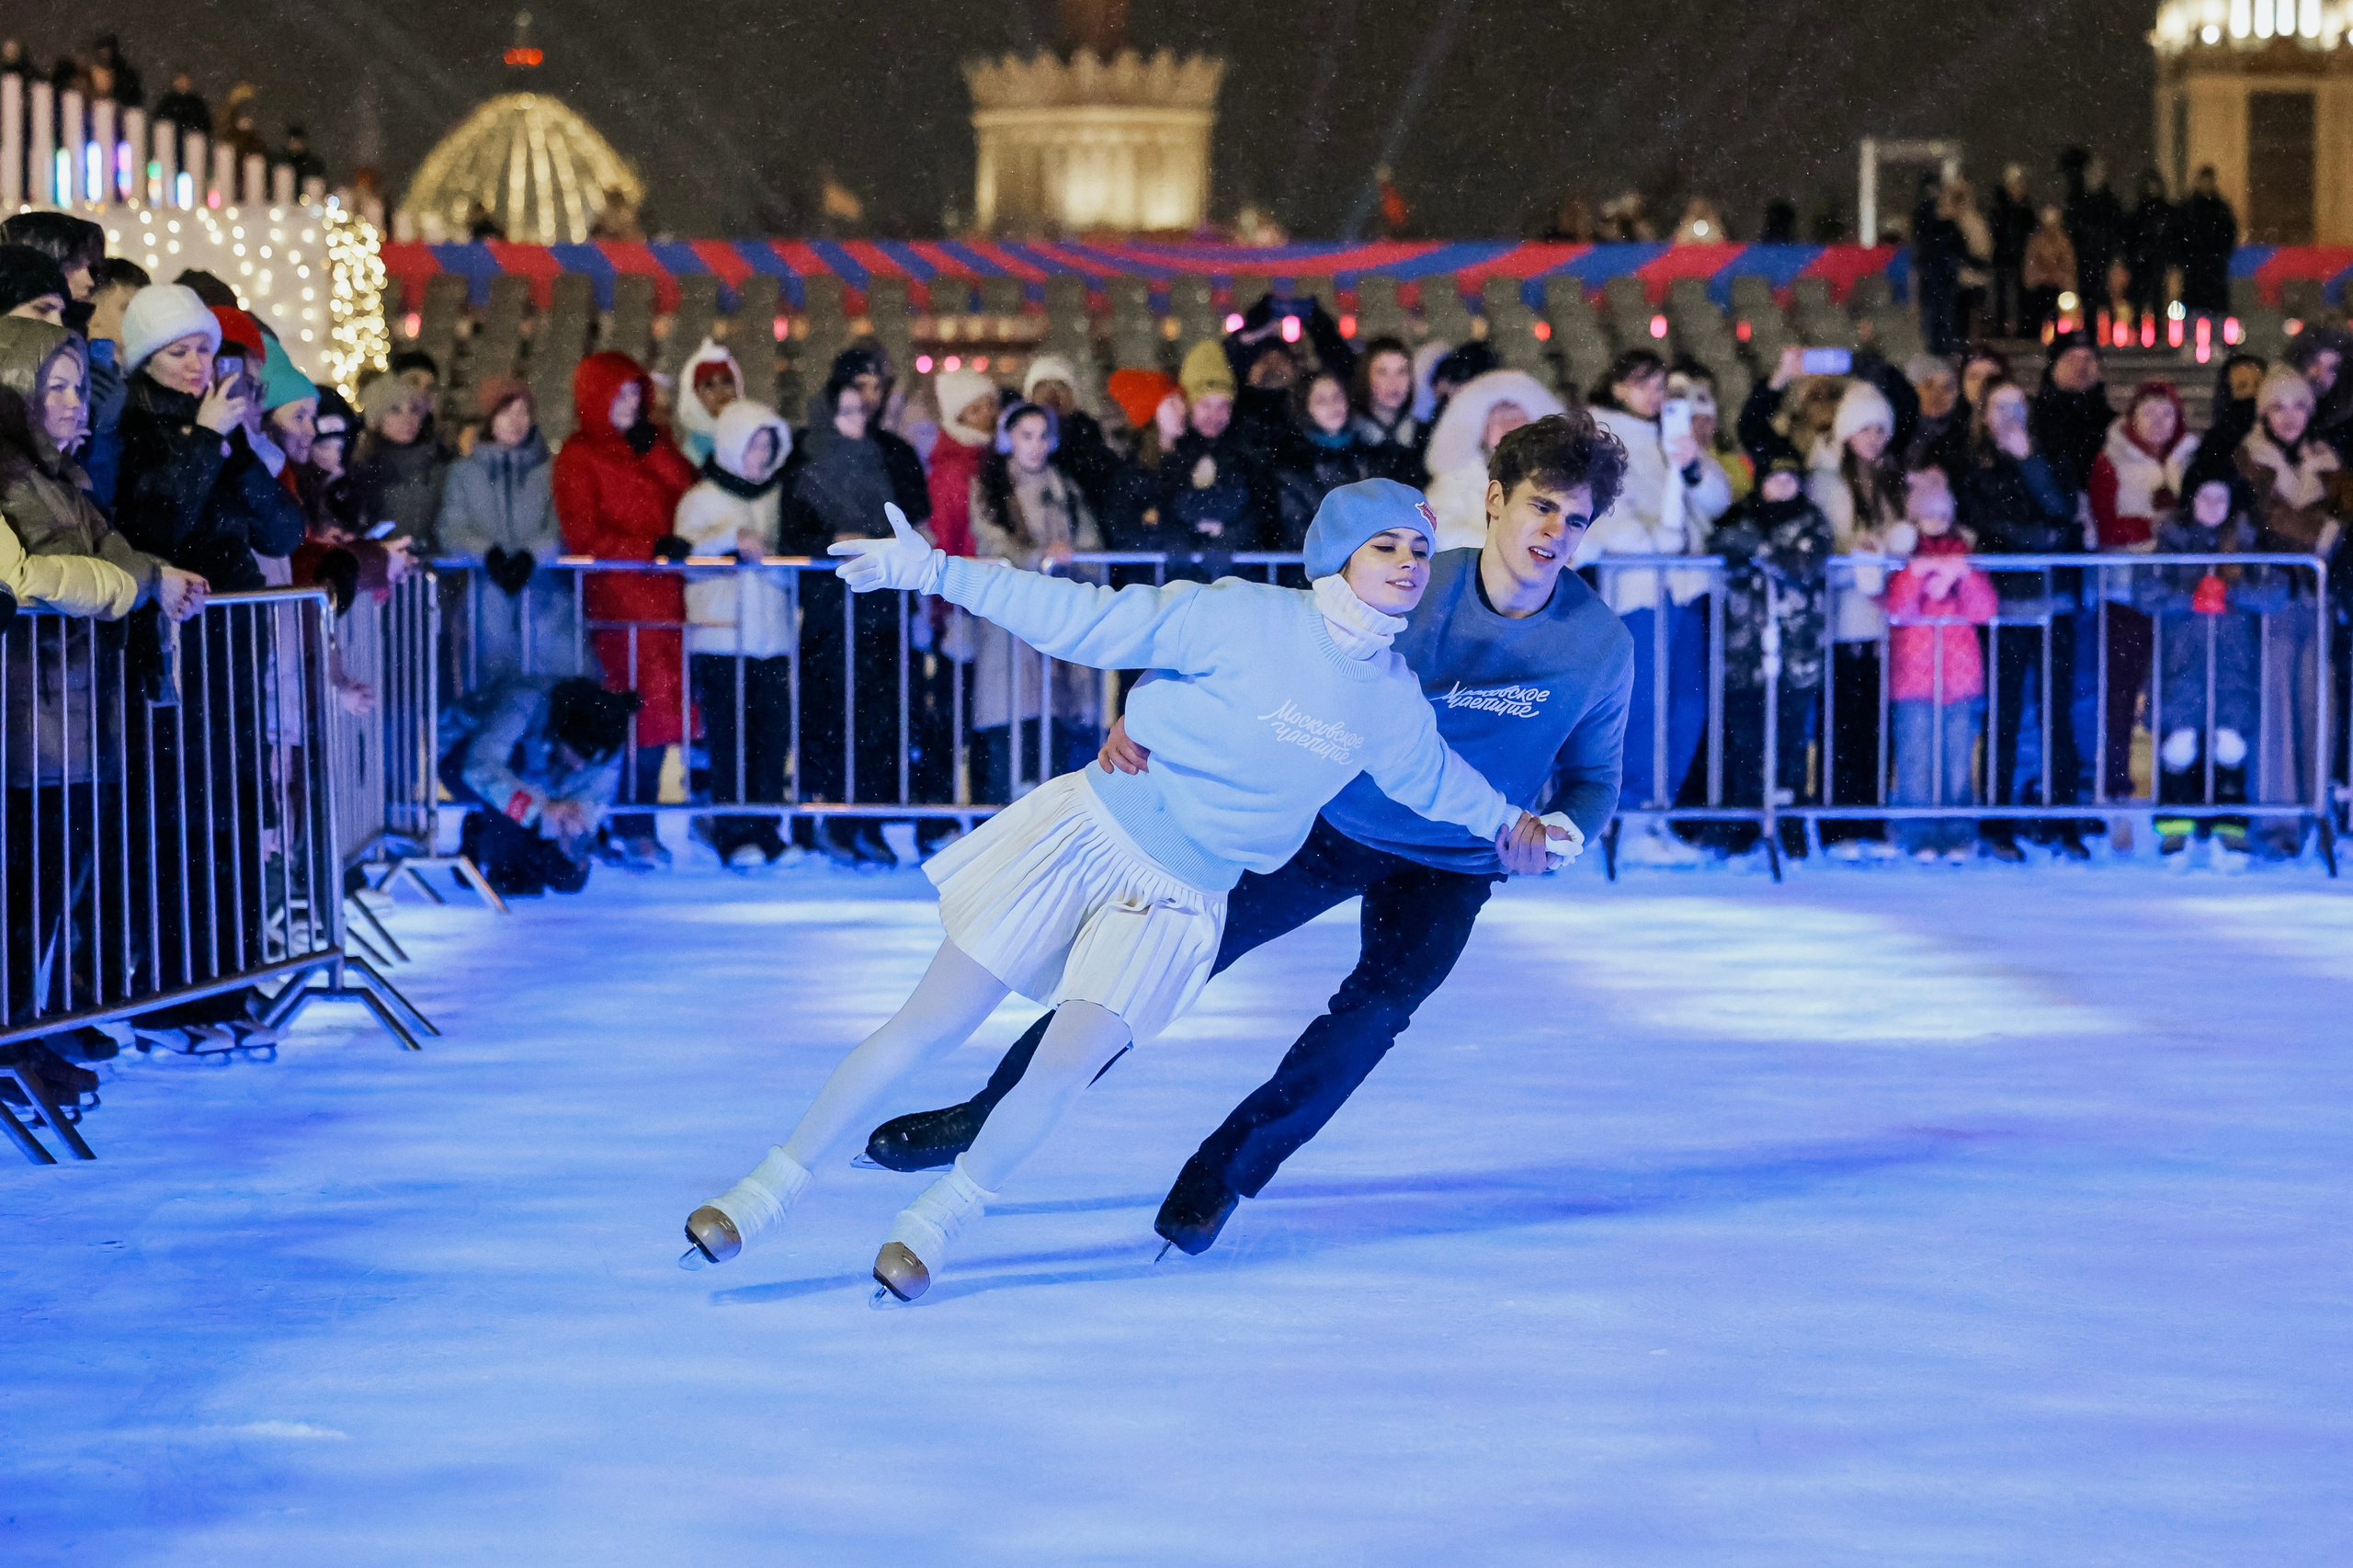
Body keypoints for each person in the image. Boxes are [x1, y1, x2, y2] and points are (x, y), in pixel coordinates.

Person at [681, 483, 1576, 1300]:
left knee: (1064, 1065)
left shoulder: (1388, 698)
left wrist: (1517, 824)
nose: (1410, 565)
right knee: (931, 1020)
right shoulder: (1241, 618)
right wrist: (934, 569)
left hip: (1181, 899)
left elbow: (1436, 780)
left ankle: (937, 1220)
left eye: (1419, 551)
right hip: (1088, 836)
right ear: (1337, 552)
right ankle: (764, 1187)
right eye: (1386, 546)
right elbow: (1080, 617)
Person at [861, 416, 1630, 1257]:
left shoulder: (1600, 647)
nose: (1555, 533)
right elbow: (1262, 643)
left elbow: (1596, 781)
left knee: (1373, 1018)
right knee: (1150, 957)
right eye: (1542, 507)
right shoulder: (1407, 573)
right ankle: (984, 1113)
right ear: (1493, 501)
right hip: (1328, 816)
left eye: (1577, 519)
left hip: (1453, 860)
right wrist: (1152, 707)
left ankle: (1222, 1174)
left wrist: (1559, 831)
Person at [1579, 349, 1728, 864]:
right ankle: (1630, 814)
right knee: (1644, 704)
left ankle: (1657, 813)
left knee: (1686, 702)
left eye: (1660, 382)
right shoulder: (1595, 436)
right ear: (1618, 385)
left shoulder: (1674, 436)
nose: (1654, 392)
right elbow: (1594, 509)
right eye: (1642, 382)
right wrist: (1646, 538)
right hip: (1637, 587)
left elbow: (1716, 500)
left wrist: (1689, 469)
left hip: (1685, 585)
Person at [552, 351, 699, 869]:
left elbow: (689, 489)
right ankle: (625, 823)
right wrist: (651, 549)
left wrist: (655, 451)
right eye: (619, 393)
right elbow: (584, 534)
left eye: (636, 393)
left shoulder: (652, 444)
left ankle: (635, 822)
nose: (629, 403)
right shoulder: (577, 453)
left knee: (656, 716)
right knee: (631, 714)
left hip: (663, 598)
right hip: (619, 599)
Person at [784, 357, 928, 866]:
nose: (860, 407)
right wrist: (832, 540)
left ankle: (866, 819)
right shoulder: (806, 460)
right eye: (849, 399)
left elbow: (915, 520)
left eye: (869, 394)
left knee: (879, 722)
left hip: (882, 612)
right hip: (830, 612)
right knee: (827, 716)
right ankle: (823, 817)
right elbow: (792, 534)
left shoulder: (892, 454)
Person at [1959, 374, 2085, 861]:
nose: (2008, 417)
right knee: (2004, 717)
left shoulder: (2050, 455)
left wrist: (2029, 460)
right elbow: (1990, 522)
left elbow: (2063, 509)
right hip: (2003, 606)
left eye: (2016, 406)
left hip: (2054, 604)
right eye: (1998, 408)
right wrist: (2039, 539)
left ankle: (2062, 819)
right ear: (1984, 416)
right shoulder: (1975, 466)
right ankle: (1997, 822)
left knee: (2058, 715)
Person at [2137, 474, 2284, 869]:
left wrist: (2233, 592)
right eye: (2206, 496)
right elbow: (2144, 591)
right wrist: (2188, 598)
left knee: (2231, 745)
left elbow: (2276, 591)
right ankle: (2175, 828)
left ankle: (2230, 827)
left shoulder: (2249, 543)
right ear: (2192, 499)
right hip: (2181, 663)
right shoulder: (2169, 541)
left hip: (2234, 664)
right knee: (2178, 745)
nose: (2214, 505)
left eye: (2222, 497)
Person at [673, 400, 795, 869]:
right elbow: (688, 561)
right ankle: (732, 831)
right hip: (721, 639)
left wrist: (772, 565)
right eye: (752, 445)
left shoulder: (774, 497)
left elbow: (788, 565)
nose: (760, 456)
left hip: (772, 639)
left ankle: (767, 829)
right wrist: (731, 541)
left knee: (771, 741)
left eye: (767, 445)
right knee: (731, 742)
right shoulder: (701, 499)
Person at [967, 400, 1105, 802]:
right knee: (1009, 732)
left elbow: (1092, 547)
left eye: (1043, 436)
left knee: (1055, 735)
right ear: (1008, 439)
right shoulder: (991, 488)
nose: (1036, 445)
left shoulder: (1065, 490)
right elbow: (991, 543)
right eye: (1026, 435)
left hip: (1057, 629)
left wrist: (1074, 560)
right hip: (1009, 629)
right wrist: (1039, 558)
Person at [2235, 366, 2344, 855]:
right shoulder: (2247, 457)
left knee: (2316, 706)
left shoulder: (2328, 459)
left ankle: (2316, 812)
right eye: (2278, 406)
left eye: (2299, 405)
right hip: (2271, 599)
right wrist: (2321, 534)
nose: (2290, 417)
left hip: (2317, 599)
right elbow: (2266, 519)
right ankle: (2275, 823)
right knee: (2273, 713)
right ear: (2263, 411)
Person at [1699, 455, 1830, 860]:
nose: (1782, 487)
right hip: (1742, 652)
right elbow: (1718, 544)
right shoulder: (1739, 516)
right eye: (1776, 478)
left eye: (1791, 478)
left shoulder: (1811, 520)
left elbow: (1804, 563)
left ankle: (1789, 822)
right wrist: (1765, 550)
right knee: (1745, 742)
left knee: (1791, 741)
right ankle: (1745, 820)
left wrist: (1761, 551)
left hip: (1795, 653)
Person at [1807, 374, 1912, 858]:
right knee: (1844, 723)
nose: (1876, 438)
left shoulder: (1887, 481)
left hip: (1878, 623)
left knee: (1873, 724)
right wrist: (1858, 558)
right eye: (1867, 429)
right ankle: (1838, 821)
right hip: (1842, 622)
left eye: (1881, 430)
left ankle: (1869, 817)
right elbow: (1825, 549)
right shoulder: (1826, 483)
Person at [2086, 382, 2196, 808]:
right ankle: (2115, 778)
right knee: (2121, 688)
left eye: (2166, 414)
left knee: (2177, 685)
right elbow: (2105, 523)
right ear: (2132, 418)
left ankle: (2176, 782)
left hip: (2177, 590)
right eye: (2148, 413)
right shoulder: (2110, 460)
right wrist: (2154, 525)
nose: (2157, 423)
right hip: (2125, 589)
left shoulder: (2190, 458)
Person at [438, 676, 641, 897]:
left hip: (532, 785)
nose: (582, 765)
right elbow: (479, 767)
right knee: (515, 767)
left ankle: (487, 841)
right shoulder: (522, 701)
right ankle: (503, 859)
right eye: (580, 753)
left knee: (568, 877)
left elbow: (594, 795)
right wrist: (540, 808)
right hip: (461, 761)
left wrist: (573, 835)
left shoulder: (606, 735)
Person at [1883, 473, 1996, 862]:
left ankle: (1958, 831)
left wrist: (1962, 576)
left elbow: (1984, 610)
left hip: (1959, 677)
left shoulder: (1965, 558)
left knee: (1957, 758)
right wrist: (1916, 576)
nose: (1934, 523)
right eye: (1926, 516)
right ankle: (1918, 831)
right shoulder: (1903, 562)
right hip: (1914, 677)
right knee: (1916, 756)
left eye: (1941, 515)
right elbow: (1897, 609)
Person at [438, 377, 570, 681]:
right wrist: (487, 553)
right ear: (490, 418)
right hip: (486, 597)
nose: (516, 421)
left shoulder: (550, 472)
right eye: (506, 412)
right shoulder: (464, 473)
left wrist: (531, 555)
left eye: (523, 412)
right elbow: (451, 526)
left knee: (545, 681)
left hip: (543, 597)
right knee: (493, 680)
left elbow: (559, 525)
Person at [1114, 341, 1276, 570]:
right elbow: (1148, 515)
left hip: (1233, 582)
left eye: (1223, 406)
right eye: (1206, 405)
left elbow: (1261, 514)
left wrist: (1229, 535)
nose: (1215, 415)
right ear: (1188, 405)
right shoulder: (1167, 456)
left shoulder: (1245, 452)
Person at [1422, 368, 1563, 551]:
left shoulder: (1556, 477)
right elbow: (1437, 528)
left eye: (1517, 419)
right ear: (1483, 431)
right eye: (1499, 421)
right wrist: (1502, 548)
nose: (1509, 429)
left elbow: (1586, 529)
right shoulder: (1458, 475)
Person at [1274, 369, 1382, 552]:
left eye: (1337, 397)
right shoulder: (1293, 465)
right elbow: (1298, 533)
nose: (1333, 405)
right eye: (1321, 400)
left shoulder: (1367, 457)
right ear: (1306, 407)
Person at [349, 374, 448, 551]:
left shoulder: (438, 467)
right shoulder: (360, 471)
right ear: (377, 419)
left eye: (414, 410)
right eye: (395, 410)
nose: (408, 418)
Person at [1022, 354, 1120, 512]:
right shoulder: (1017, 440)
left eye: (1060, 385)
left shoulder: (1090, 435)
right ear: (1029, 395)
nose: (1051, 393)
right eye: (1042, 386)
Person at [924, 365, 998, 562]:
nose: (987, 415)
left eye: (991, 405)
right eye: (975, 410)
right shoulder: (952, 470)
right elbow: (945, 536)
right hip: (972, 577)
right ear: (958, 418)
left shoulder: (994, 458)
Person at [1348, 335, 1427, 484]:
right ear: (1366, 377)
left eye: (1402, 372)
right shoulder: (1350, 438)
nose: (1393, 383)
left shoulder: (1424, 435)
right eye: (1382, 372)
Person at [2064, 154, 2126, 331]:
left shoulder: (2110, 203)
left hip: (2103, 260)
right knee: (2086, 302)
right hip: (2083, 260)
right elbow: (2071, 232)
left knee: (2107, 302)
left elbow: (2117, 232)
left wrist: (2115, 257)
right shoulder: (2077, 202)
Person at [2177, 166, 2237, 323]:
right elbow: (2179, 235)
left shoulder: (2220, 209)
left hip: (2213, 267)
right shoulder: (2189, 208)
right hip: (2195, 267)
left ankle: (2217, 343)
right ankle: (2191, 343)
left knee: (2215, 310)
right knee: (2192, 309)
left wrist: (2218, 254)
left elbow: (2229, 235)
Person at [671, 337, 741, 469]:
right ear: (695, 394)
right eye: (709, 384)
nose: (720, 391)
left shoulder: (754, 441)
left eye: (726, 381)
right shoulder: (689, 457)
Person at [1904, 353, 1968, 490]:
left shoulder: (1965, 434)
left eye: (1947, 387)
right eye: (1928, 385)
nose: (1937, 394)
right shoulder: (1900, 432)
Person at [2124, 170, 2175, 332]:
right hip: (2141, 265)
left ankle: (2159, 332)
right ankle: (2139, 331)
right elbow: (2130, 239)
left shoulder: (2166, 213)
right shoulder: (2138, 214)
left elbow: (2172, 238)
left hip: (2158, 264)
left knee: (2158, 301)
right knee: (2139, 301)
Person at [1990, 165, 2037, 338]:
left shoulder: (2025, 210)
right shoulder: (2000, 209)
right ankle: (2001, 329)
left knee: (2020, 296)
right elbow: (1997, 233)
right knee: (2002, 296)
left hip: (2020, 259)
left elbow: (2030, 231)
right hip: (2003, 259)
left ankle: (2021, 328)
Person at [2022, 204, 2075, 336]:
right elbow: (2030, 266)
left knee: (2059, 315)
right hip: (2040, 288)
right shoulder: (2035, 243)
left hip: (2058, 288)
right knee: (2037, 314)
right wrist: (2040, 278)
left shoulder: (2064, 243)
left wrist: (2060, 278)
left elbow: (2069, 266)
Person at [153, 70, 210, 138]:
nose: (182, 83)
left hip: (193, 138)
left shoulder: (196, 102)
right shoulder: (168, 101)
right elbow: (160, 121)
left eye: (184, 80)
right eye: (180, 79)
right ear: (174, 82)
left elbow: (204, 124)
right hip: (170, 137)